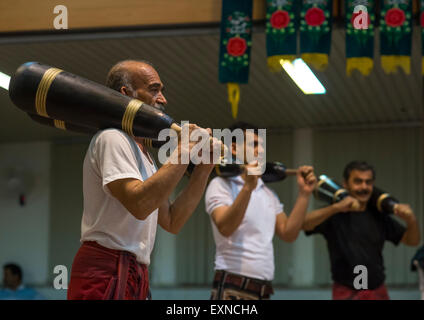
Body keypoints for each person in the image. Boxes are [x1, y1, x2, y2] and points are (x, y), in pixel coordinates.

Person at [67, 60, 221, 300]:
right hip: (105, 268)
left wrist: (203, 169)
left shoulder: (144, 153)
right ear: (126, 94)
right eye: (154, 89)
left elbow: (172, 221)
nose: (163, 99)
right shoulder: (112, 138)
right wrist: (185, 147)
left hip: (135, 270)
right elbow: (140, 205)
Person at [205, 122, 317, 300]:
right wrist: (248, 187)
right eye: (254, 144)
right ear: (234, 148)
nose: (262, 151)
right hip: (232, 284)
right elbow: (225, 227)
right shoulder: (220, 185)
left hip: (263, 288)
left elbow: (288, 233)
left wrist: (304, 194)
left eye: (262, 145)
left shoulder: (268, 193)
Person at [303, 160, 421, 300]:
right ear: (345, 184)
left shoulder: (379, 214)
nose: (364, 187)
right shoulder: (334, 213)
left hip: (376, 290)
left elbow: (412, 241)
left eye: (368, 182)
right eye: (358, 181)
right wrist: (336, 207)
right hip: (347, 291)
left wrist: (411, 220)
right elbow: (304, 224)